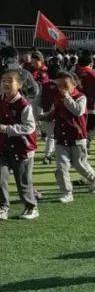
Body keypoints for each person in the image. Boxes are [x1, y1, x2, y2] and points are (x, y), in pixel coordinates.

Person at [51, 70, 95, 202]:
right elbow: (54, 113)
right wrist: (43, 116)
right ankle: (67, 193)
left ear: (74, 84)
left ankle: (94, 178)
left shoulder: (81, 97)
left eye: (65, 85)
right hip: (61, 138)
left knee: (79, 164)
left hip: (78, 137)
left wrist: (67, 97)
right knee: (61, 167)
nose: (61, 88)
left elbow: (78, 111)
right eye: (59, 85)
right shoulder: (58, 98)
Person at [0, 66, 39, 219]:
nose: (6, 84)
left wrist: (7, 129)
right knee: (0, 177)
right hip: (3, 146)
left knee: (23, 181)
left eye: (10, 81)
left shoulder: (24, 105)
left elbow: (29, 127)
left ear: (20, 84)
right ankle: (3, 207)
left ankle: (31, 207)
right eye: (3, 81)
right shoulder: (1, 101)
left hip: (22, 148)